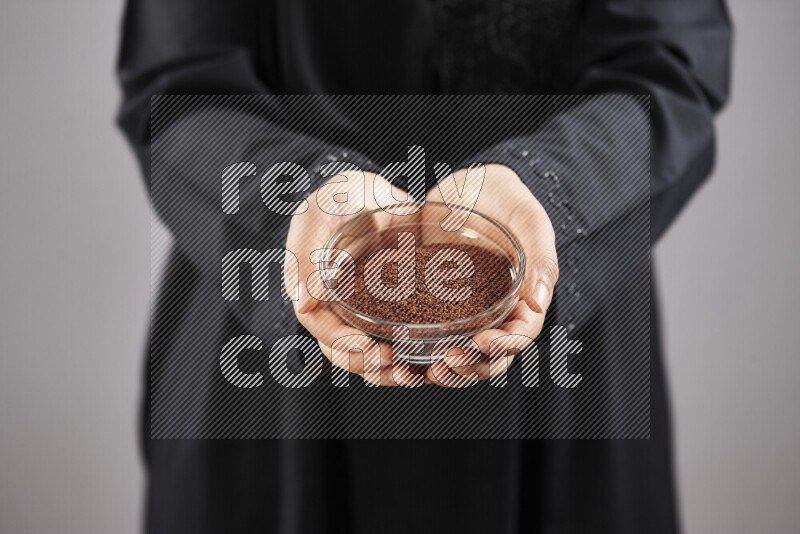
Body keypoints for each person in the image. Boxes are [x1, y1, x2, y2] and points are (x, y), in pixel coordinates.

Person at [117, 1, 732, 532]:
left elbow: (669, 66)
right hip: (274, 360)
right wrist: (304, 199)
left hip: (567, 363)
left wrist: (548, 194)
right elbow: (179, 86)